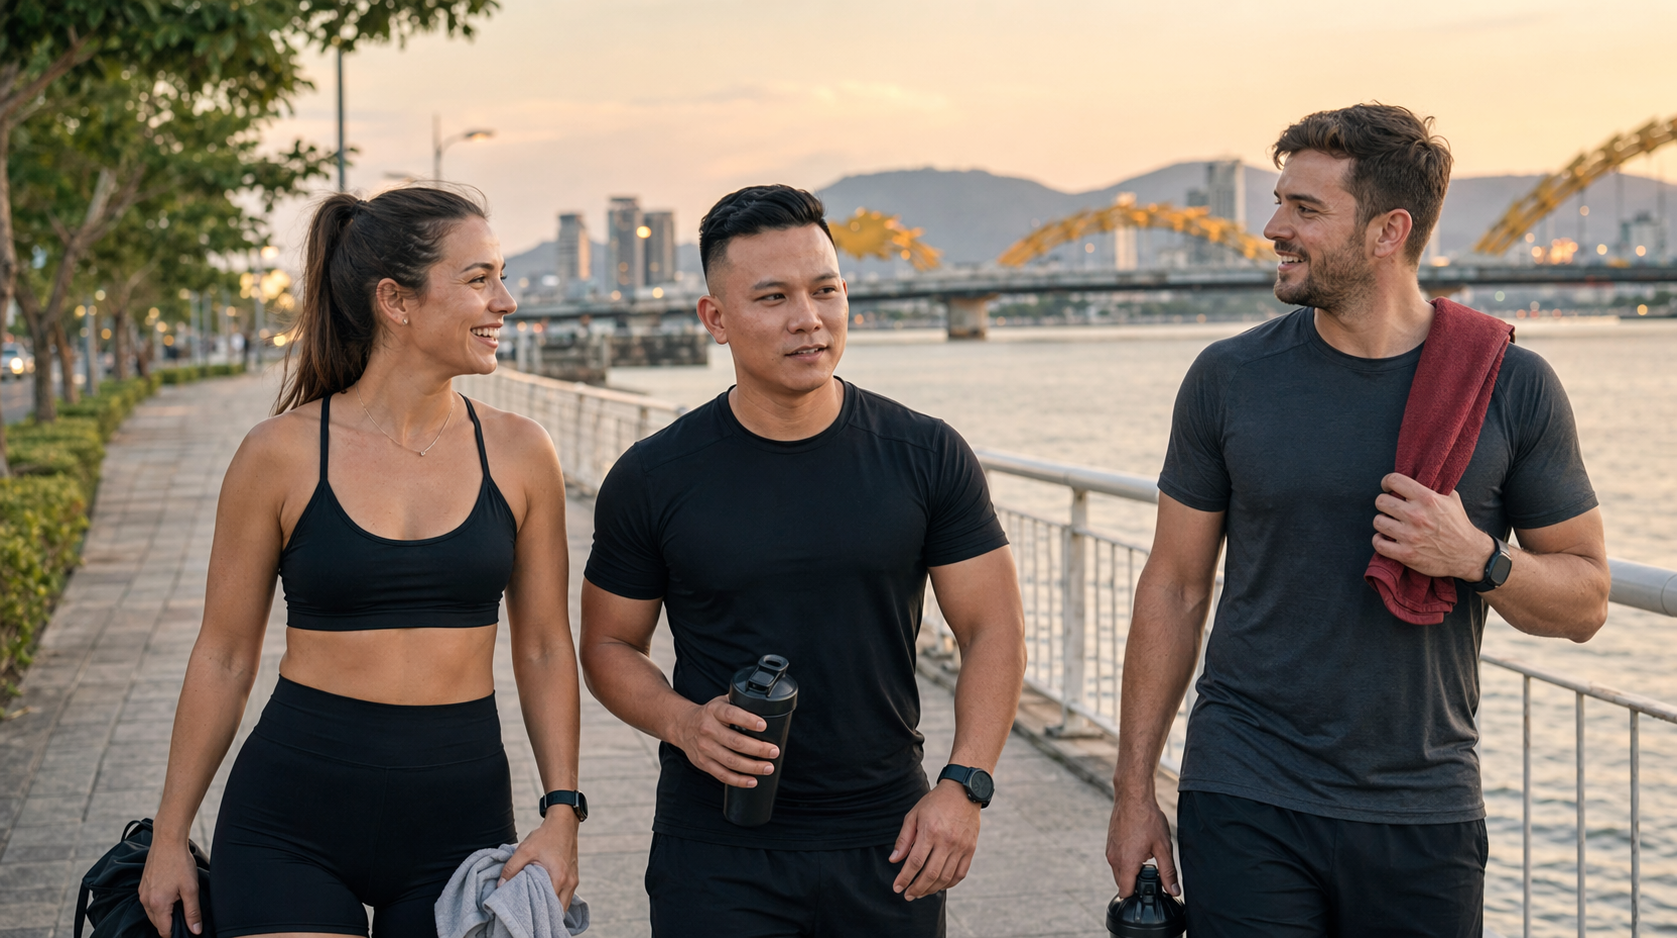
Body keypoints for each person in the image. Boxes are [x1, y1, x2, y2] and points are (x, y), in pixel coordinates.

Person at [1105, 104, 1611, 936]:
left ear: (1387, 231)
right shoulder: (1226, 379)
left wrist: (1479, 557)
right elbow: (1174, 587)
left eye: (1304, 210)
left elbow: (1586, 600)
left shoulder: (1511, 386)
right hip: (1244, 787)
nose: (1273, 228)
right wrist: (1134, 796)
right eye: (1278, 203)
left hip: (1422, 805)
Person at [579, 184, 1027, 938]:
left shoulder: (924, 454)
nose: (807, 319)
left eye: (826, 290)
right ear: (714, 319)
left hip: (889, 839)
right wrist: (684, 723)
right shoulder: (655, 475)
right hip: (715, 843)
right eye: (773, 297)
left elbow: (994, 630)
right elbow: (606, 643)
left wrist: (964, 785)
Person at [138, 187, 586, 938]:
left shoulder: (520, 452)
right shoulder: (277, 454)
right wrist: (169, 834)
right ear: (396, 302)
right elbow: (222, 655)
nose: (504, 301)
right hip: (291, 817)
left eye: (500, 276)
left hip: (460, 821)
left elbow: (543, 645)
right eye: (478, 279)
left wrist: (563, 812)